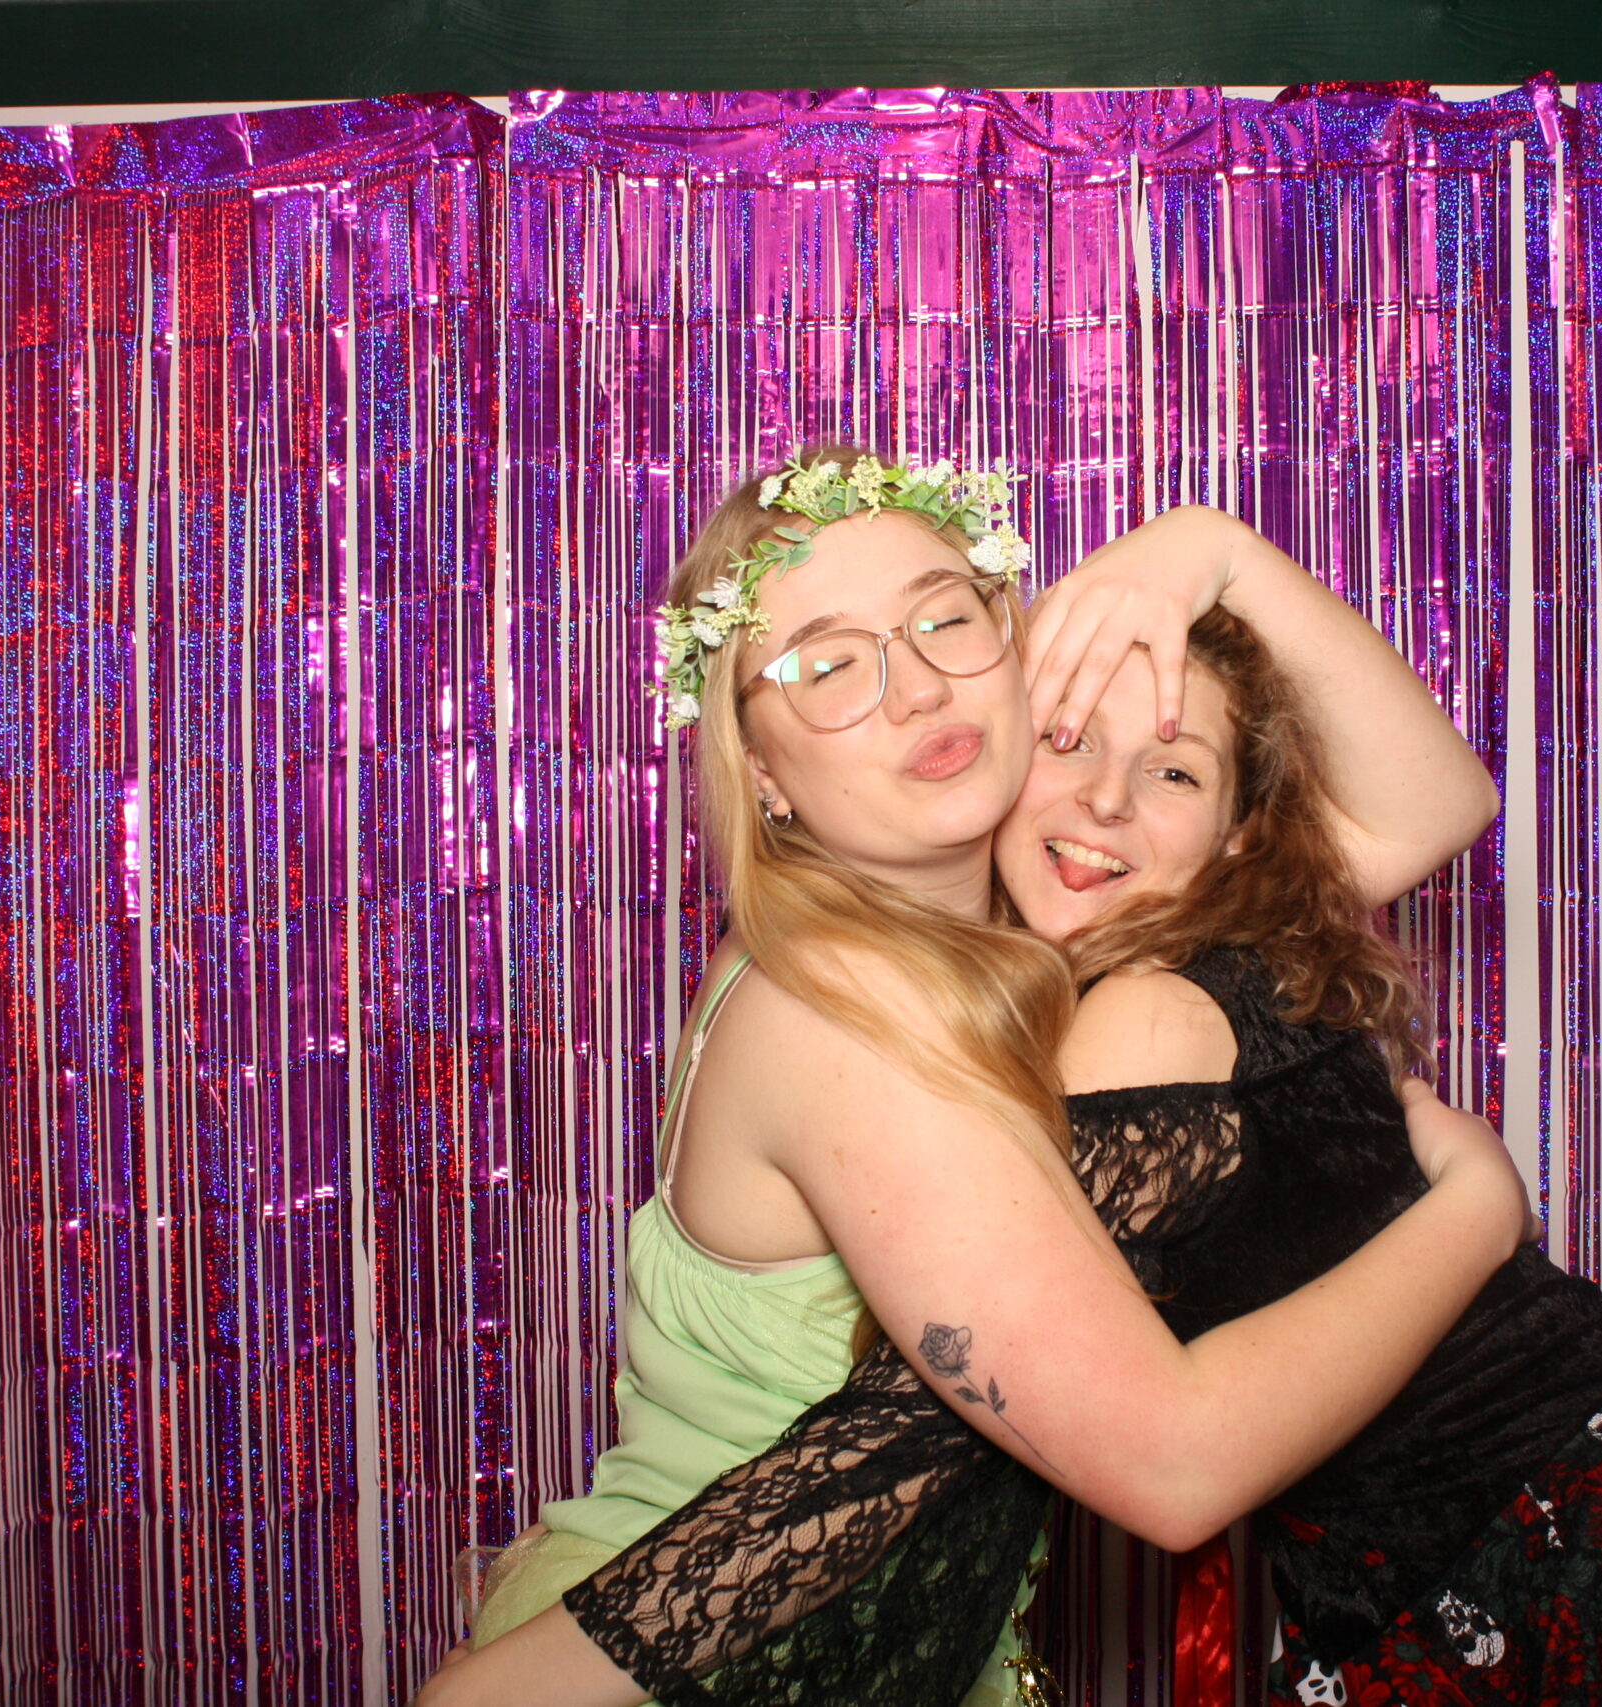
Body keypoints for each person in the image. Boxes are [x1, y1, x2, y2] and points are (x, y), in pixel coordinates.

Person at [485, 576, 1602, 1707]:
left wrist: (1201, 548)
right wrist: (1473, 1205)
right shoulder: (1055, 989)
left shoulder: (1137, 1017)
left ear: (1233, 835)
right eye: (1065, 741)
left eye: (1174, 769)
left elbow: (946, 1435)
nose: (1105, 804)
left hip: (1593, 1560)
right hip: (1580, 1526)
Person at [410, 447, 1519, 1707]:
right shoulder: (845, 1008)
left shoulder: (1021, 921)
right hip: (701, 1666)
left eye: (944, 620)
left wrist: (1213, 552)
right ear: (758, 766)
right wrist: (1476, 1214)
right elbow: (1173, 1466)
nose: (917, 687)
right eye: (828, 665)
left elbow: (1424, 809)